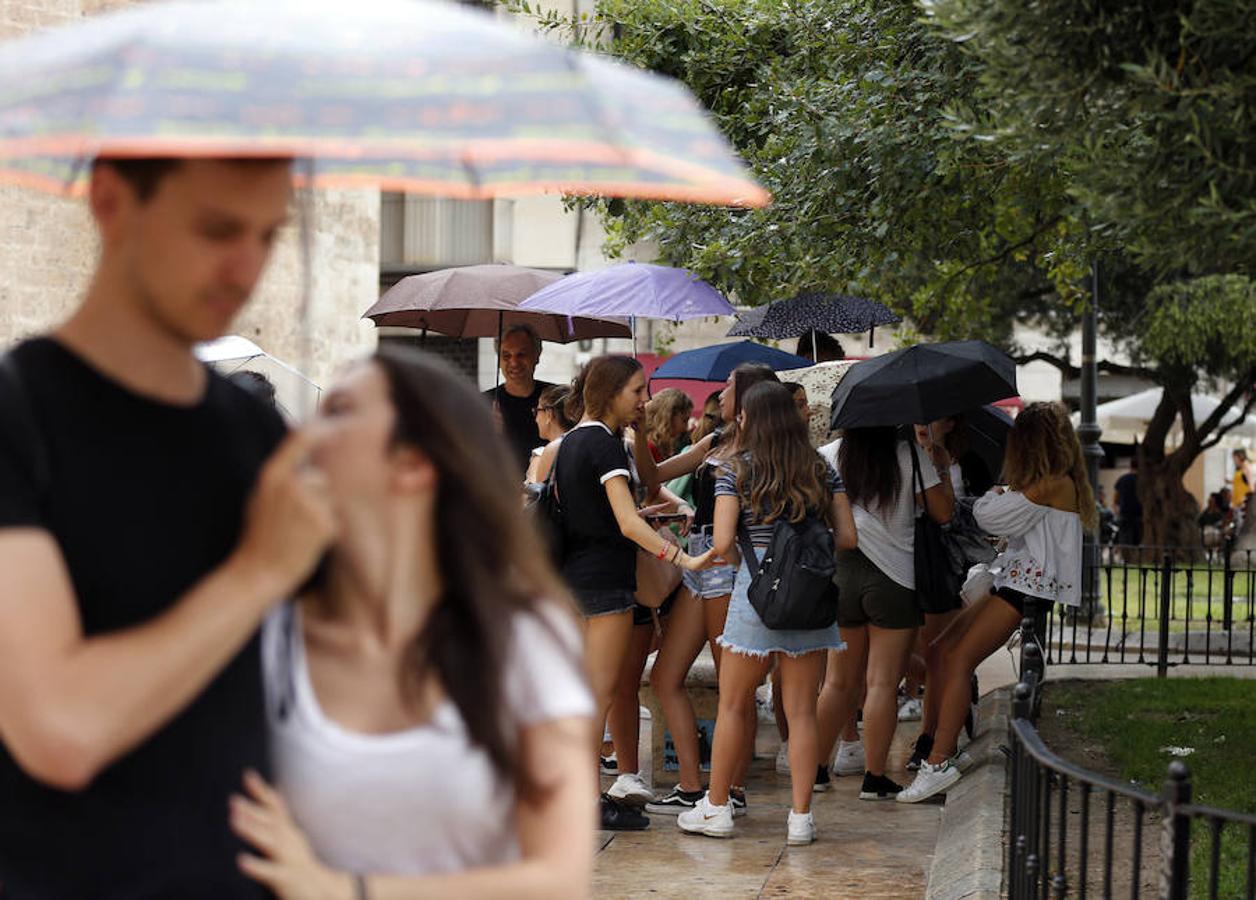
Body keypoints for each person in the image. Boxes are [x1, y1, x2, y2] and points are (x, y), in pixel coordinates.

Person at [0, 157, 335, 898]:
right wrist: (258, 572)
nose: (246, 267)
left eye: (268, 234)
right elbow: (59, 729)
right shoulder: (19, 416)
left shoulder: (250, 430)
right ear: (112, 201)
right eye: (217, 230)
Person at [226, 347, 595, 898]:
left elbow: (558, 879)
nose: (306, 433)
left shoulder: (520, 634)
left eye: (341, 412)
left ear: (414, 463)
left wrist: (346, 892)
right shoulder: (265, 625)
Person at [679, 382, 857, 845]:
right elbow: (848, 537)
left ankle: (716, 808)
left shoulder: (735, 470)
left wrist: (753, 560)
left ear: (747, 421)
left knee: (734, 705)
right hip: (810, 600)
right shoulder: (822, 469)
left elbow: (720, 545)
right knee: (801, 713)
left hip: (755, 597)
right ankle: (800, 818)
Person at [897, 402, 1094, 803]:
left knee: (955, 660)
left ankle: (938, 760)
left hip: (1025, 590)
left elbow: (989, 516)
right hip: (1014, 583)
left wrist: (997, 492)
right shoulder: (1049, 482)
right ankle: (944, 752)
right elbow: (988, 513)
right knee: (941, 652)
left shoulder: (1052, 483)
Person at [553, 355, 715, 831]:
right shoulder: (603, 444)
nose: (644, 400)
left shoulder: (570, 443)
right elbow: (625, 518)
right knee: (597, 697)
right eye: (636, 391)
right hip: (605, 585)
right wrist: (682, 558)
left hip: (574, 581)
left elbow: (599, 513)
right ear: (609, 393)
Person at [644, 364, 780, 817]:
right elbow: (655, 474)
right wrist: (632, 428)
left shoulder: (766, 449)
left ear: (750, 396)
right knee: (665, 677)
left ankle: (731, 790)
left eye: (729, 388)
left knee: (733, 689)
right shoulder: (717, 439)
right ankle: (690, 783)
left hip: (731, 563)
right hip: (698, 561)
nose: (720, 393)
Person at [814, 424, 954, 802]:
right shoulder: (909, 454)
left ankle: (815, 770)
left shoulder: (828, 454)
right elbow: (943, 513)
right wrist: (939, 466)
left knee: (837, 682)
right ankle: (875, 779)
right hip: (895, 579)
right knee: (881, 683)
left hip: (842, 572)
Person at [484, 324, 553, 473]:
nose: (514, 363)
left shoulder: (556, 399)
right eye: (506, 356)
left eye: (521, 354)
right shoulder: (483, 403)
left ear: (537, 355)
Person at [525, 384, 574, 484]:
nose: (536, 419)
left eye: (537, 411)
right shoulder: (581, 450)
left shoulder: (540, 457)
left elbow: (532, 497)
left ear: (549, 414)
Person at [645, 388, 694, 462]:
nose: (686, 428)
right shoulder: (649, 447)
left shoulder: (661, 446)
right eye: (684, 420)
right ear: (668, 416)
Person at [1112, 456, 1142, 547]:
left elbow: (1115, 499)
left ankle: (1127, 559)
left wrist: (1117, 511)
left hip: (1125, 514)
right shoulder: (1143, 480)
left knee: (1125, 542)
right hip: (1140, 515)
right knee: (1138, 542)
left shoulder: (1122, 479)